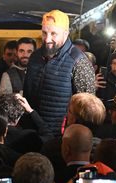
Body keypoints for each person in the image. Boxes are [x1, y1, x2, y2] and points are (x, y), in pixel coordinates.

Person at [23, 10, 95, 138]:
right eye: (44, 33)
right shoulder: (34, 57)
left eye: (53, 34)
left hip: (60, 138)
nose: (47, 39)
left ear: (66, 34)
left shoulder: (79, 62)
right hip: (31, 132)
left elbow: (87, 110)